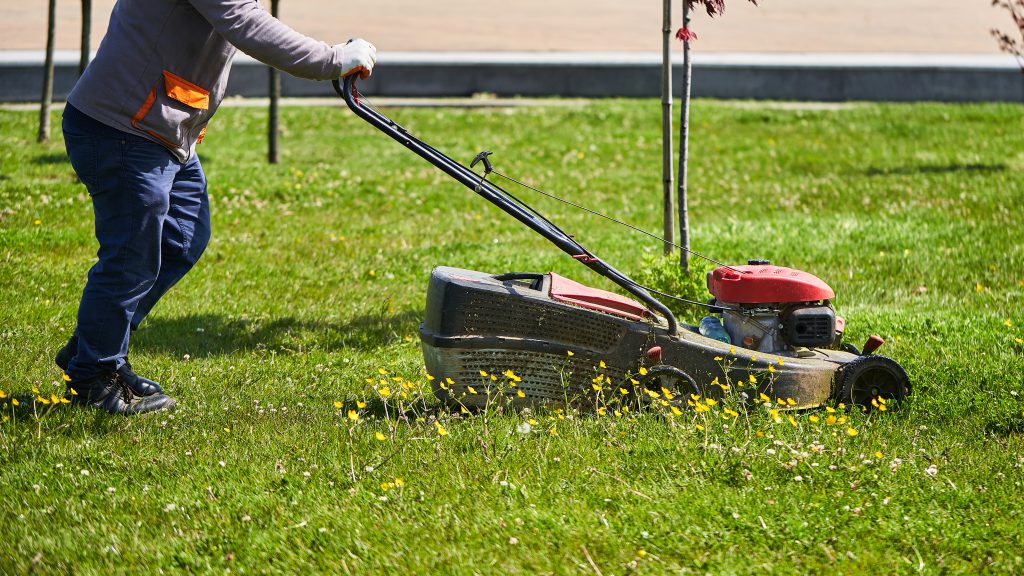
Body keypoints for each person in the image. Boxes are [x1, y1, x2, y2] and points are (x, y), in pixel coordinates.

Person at [59, 0, 376, 414]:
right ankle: (95, 376)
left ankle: (93, 348)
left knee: (183, 237)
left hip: (162, 130)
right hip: (122, 130)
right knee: (130, 259)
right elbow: (245, 22)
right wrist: (332, 59)